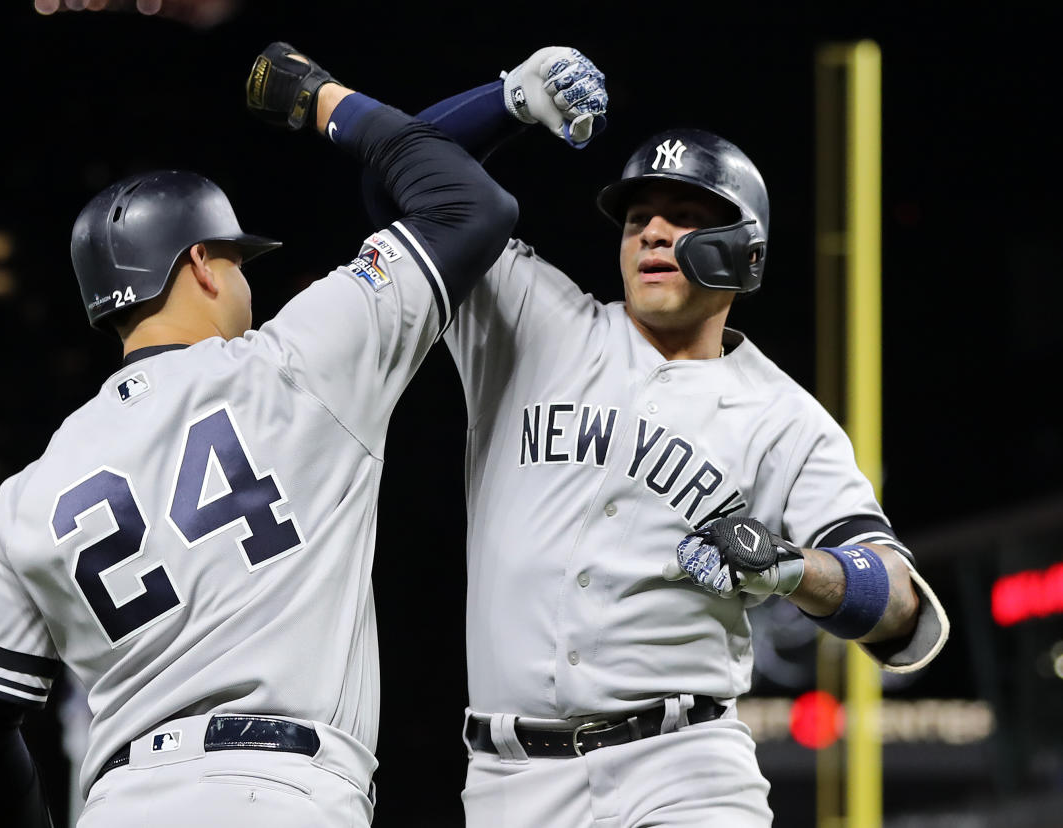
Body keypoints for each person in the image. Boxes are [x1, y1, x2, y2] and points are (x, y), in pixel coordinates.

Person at [0, 41, 527, 828]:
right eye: (238, 261)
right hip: (281, 794)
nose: (247, 278)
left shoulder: (28, 494)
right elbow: (466, 204)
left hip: (118, 803)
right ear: (204, 267)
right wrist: (317, 97)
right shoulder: (294, 363)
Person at [362, 48, 951, 827]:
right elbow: (401, 178)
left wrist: (787, 568)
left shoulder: (783, 417)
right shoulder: (537, 323)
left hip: (683, 769)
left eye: (685, 218)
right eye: (640, 218)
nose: (653, 233)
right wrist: (508, 101)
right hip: (511, 783)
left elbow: (903, 611)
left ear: (745, 252)